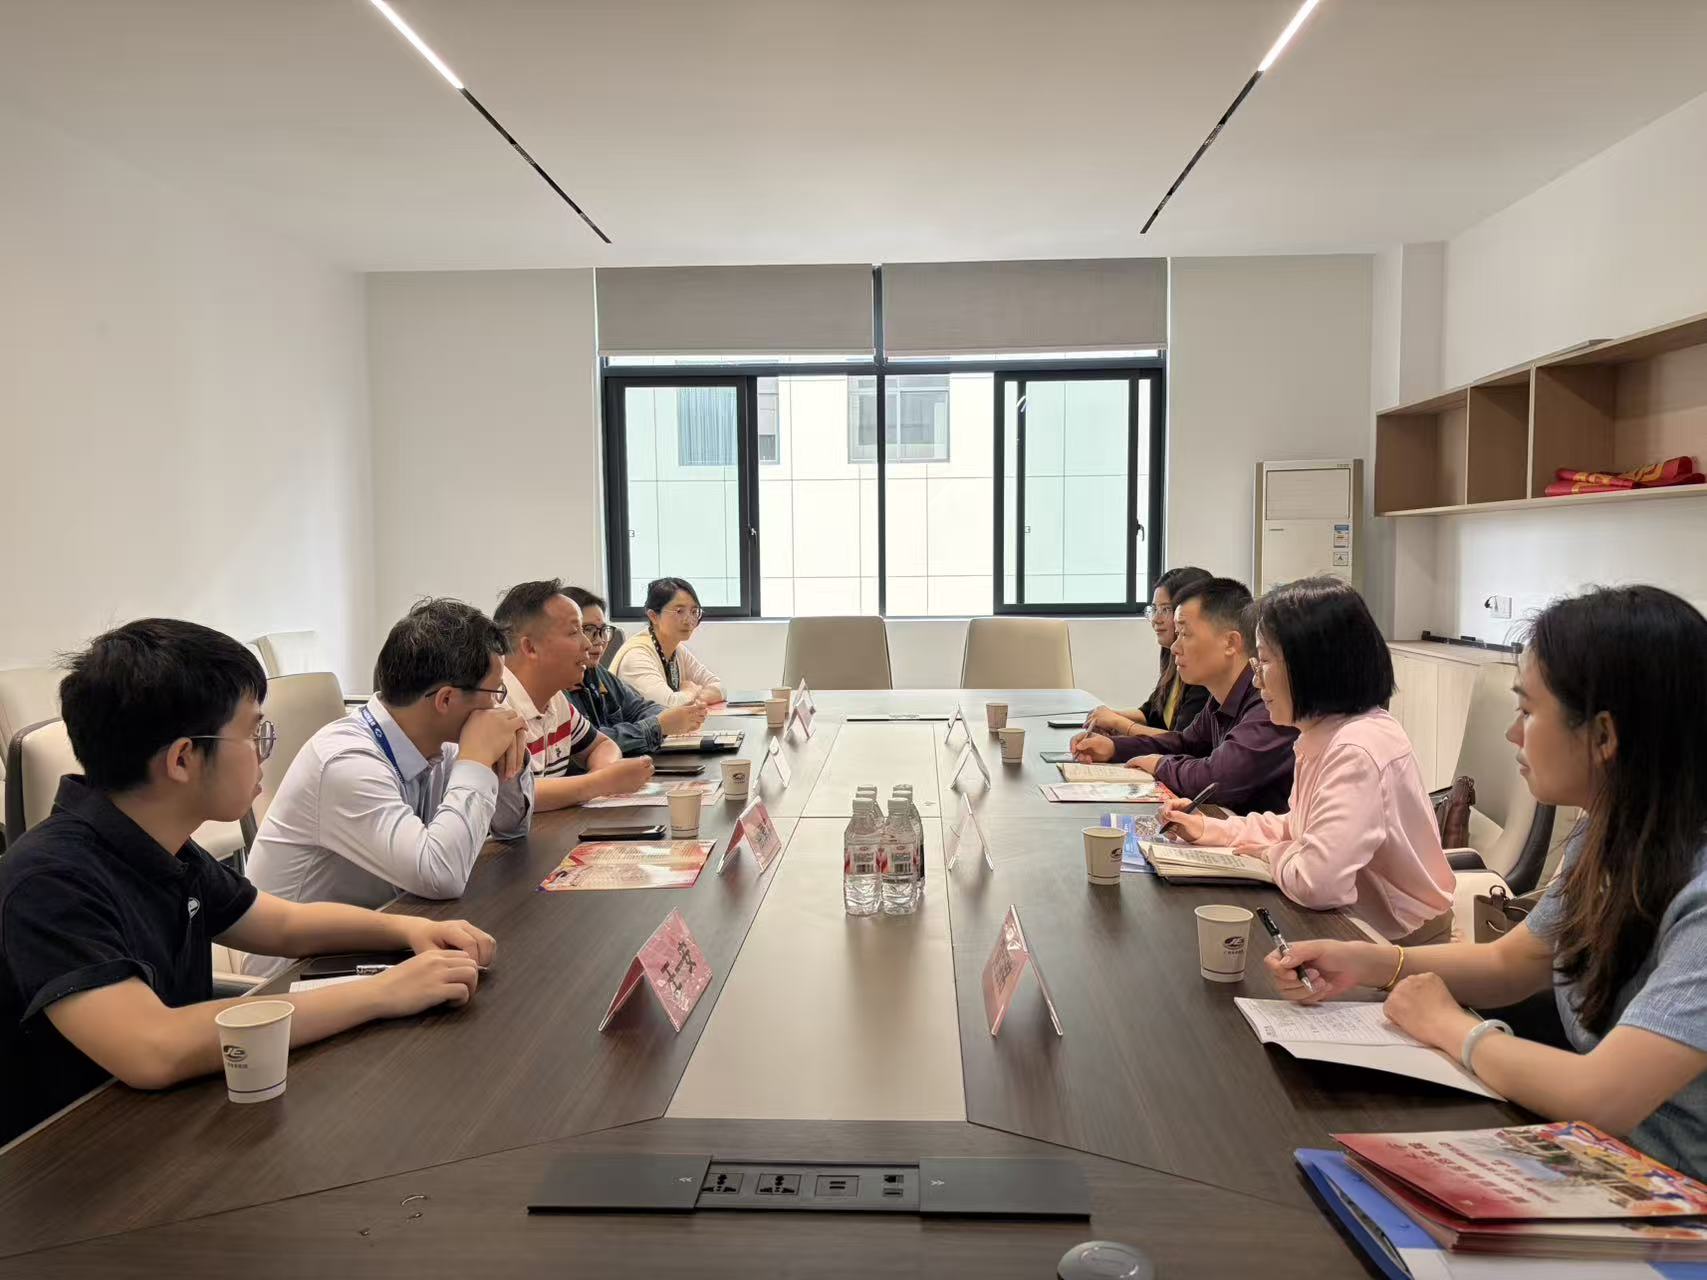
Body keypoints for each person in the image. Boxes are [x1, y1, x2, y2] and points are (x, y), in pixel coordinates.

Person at [1265, 586, 1707, 1180]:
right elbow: (1512, 963)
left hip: (1670, 1192)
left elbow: (1603, 1096)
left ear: (1604, 736)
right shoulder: (1609, 834)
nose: (1512, 735)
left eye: (1528, 711)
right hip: (1600, 1155)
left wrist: (1454, 1027)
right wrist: (1366, 962)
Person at [0, 620, 495, 1146]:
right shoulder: (49, 880)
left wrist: (408, 932)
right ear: (183, 759)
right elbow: (154, 1047)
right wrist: (382, 992)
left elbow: (284, 924)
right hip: (71, 1161)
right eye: (253, 733)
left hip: (167, 1125)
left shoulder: (160, 845)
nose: (264, 753)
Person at [1158, 578, 1454, 942]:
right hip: (1354, 927)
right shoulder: (1322, 733)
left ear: (1311, 665)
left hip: (1403, 943)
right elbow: (1297, 826)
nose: (1256, 681)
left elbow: (1317, 883)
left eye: (1264, 662)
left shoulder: (1357, 748)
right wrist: (1210, 830)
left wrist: (1271, 854)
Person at [246, 599, 534, 926]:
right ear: (446, 699)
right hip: (303, 953)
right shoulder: (346, 763)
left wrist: (508, 761)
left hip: (383, 927)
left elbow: (511, 828)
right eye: (495, 693)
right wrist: (477, 761)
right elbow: (441, 875)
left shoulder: (439, 743)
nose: (498, 707)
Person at [1071, 577, 1296, 814]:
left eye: (1185, 634)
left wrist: (1160, 764)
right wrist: (1113, 747)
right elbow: (1185, 744)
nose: (1175, 647)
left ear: (1231, 642)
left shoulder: (1269, 701)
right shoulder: (1221, 698)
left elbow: (1218, 778)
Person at [491, 580, 655, 807]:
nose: (588, 644)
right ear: (530, 647)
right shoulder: (495, 706)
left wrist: (603, 772)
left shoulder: (555, 700)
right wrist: (600, 783)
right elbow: (514, 798)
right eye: (574, 632)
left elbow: (602, 745)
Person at [563, 586, 709, 759]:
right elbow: (593, 743)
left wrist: (672, 718)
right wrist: (661, 724)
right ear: (653, 616)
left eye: (603, 631)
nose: (599, 641)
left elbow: (638, 707)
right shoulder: (636, 654)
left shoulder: (596, 672)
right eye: (588, 630)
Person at [1083, 566, 1213, 739]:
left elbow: (1183, 740)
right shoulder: (1171, 652)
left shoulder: (1203, 668)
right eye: (1154, 609)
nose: (1156, 619)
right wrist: (1109, 717)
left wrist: (1119, 723)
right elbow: (1151, 712)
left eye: (1166, 609)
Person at [609, 577, 725, 709]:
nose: (689, 620)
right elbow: (669, 706)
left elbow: (719, 687)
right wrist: (690, 690)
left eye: (694, 612)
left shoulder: (678, 650)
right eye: (679, 611)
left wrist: (694, 696)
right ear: (653, 616)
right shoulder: (636, 656)